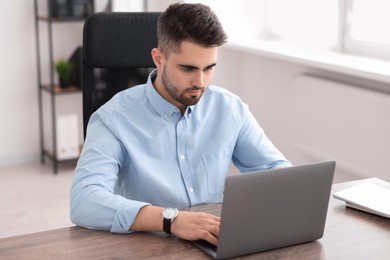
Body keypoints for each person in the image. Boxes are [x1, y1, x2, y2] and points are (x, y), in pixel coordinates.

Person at [70, 3, 291, 247]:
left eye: (209, 68)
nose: (200, 82)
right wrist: (171, 220)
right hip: (149, 244)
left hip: (214, 239)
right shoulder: (113, 118)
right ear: (158, 59)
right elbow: (84, 200)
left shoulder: (229, 109)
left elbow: (275, 168)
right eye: (188, 68)